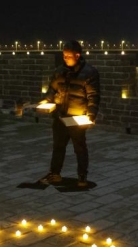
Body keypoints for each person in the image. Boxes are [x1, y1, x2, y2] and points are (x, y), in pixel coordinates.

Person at [38, 40, 100, 188]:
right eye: (64, 56)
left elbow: (93, 96)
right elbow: (52, 89)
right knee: (58, 146)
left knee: (79, 148)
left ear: (77, 55)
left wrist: (91, 115)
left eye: (68, 56)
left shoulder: (89, 73)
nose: (65, 59)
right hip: (60, 116)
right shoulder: (59, 71)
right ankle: (55, 174)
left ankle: (82, 176)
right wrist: (46, 100)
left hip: (77, 118)